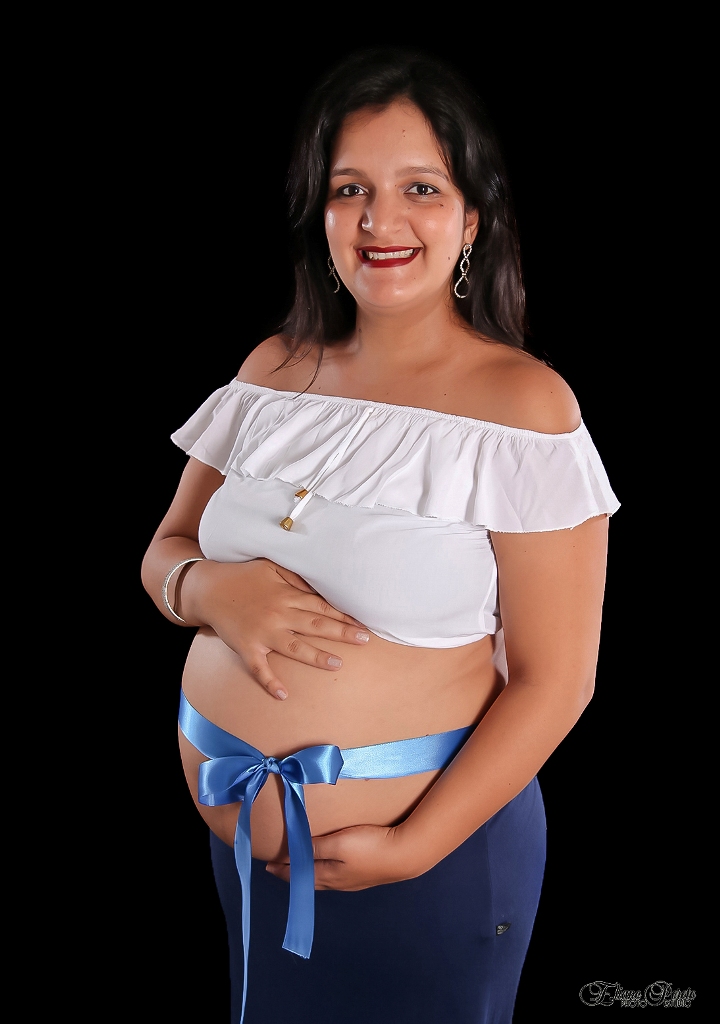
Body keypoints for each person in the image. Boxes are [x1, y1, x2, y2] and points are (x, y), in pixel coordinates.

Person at [141, 48, 619, 1024]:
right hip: (247, 855)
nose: (379, 219)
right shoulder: (272, 371)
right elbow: (165, 550)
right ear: (319, 214)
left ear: (472, 219)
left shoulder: (523, 407)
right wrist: (208, 588)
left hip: (428, 861)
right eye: (349, 188)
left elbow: (556, 680)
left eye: (420, 189)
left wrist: (412, 846)